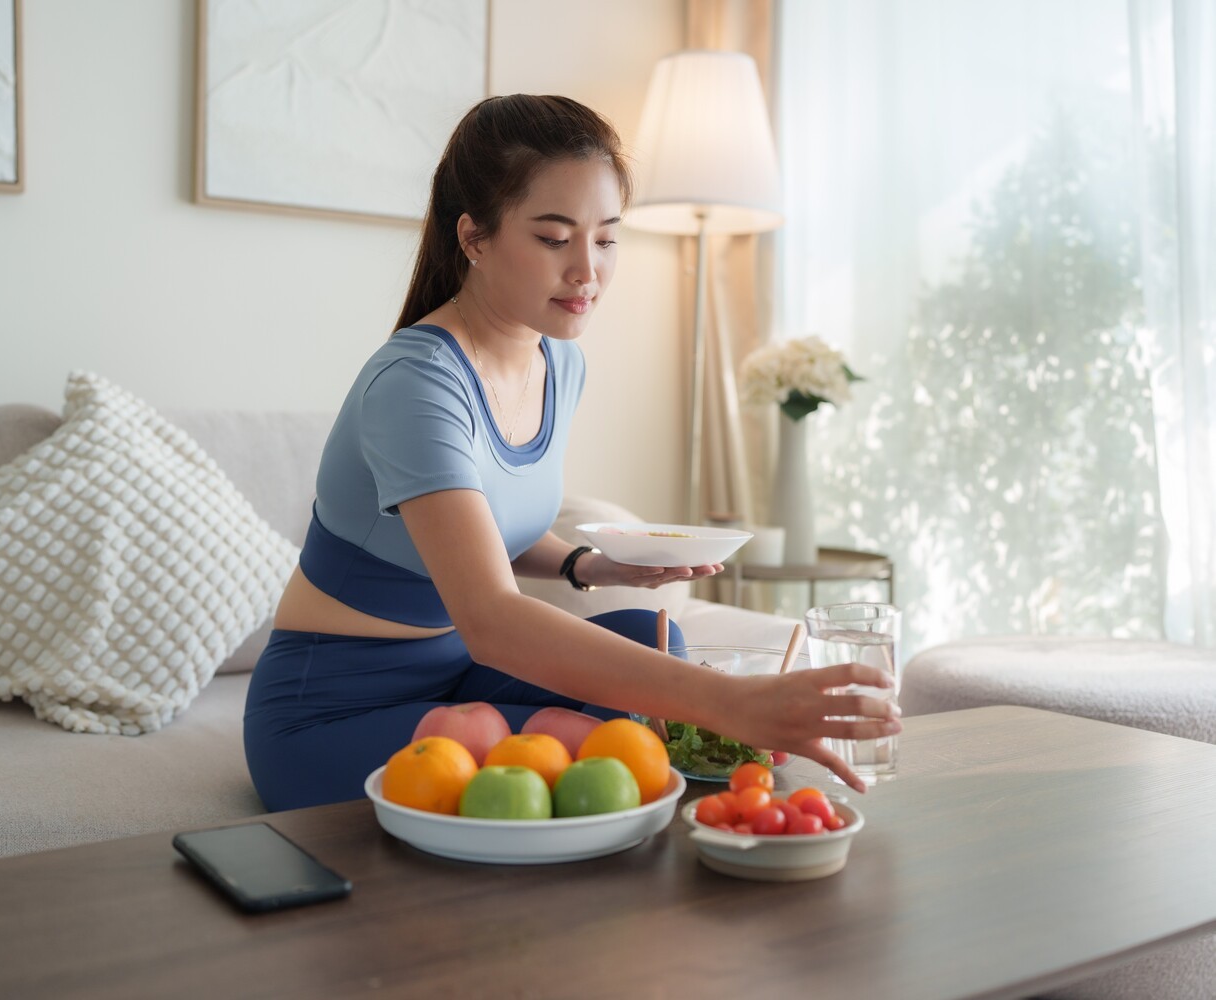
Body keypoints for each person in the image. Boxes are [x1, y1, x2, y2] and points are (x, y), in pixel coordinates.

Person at [242, 94, 901, 810]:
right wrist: (729, 703)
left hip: (457, 678)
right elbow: (492, 618)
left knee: (653, 645)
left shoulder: (559, 361)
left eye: (608, 239)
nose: (587, 270)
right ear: (474, 238)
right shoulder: (416, 385)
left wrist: (587, 564)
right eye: (555, 238)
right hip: (332, 710)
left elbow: (476, 531)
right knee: (606, 746)